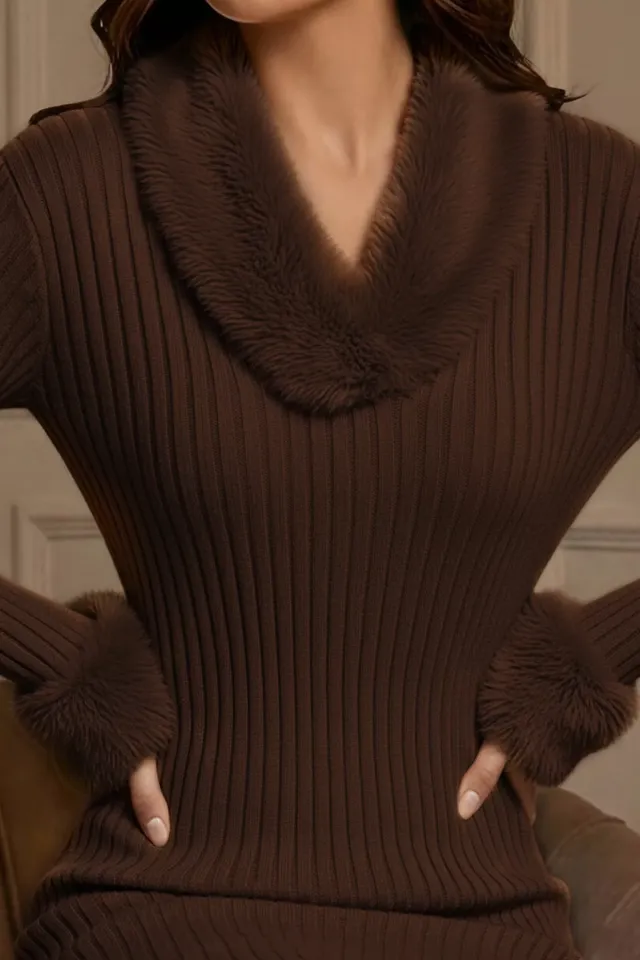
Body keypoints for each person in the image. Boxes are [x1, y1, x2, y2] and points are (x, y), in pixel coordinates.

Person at [1, 0, 639, 956]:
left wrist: (588, 661)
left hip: (481, 924)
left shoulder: (600, 207)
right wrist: (62, 663)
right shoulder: (67, 192)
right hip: (156, 914)